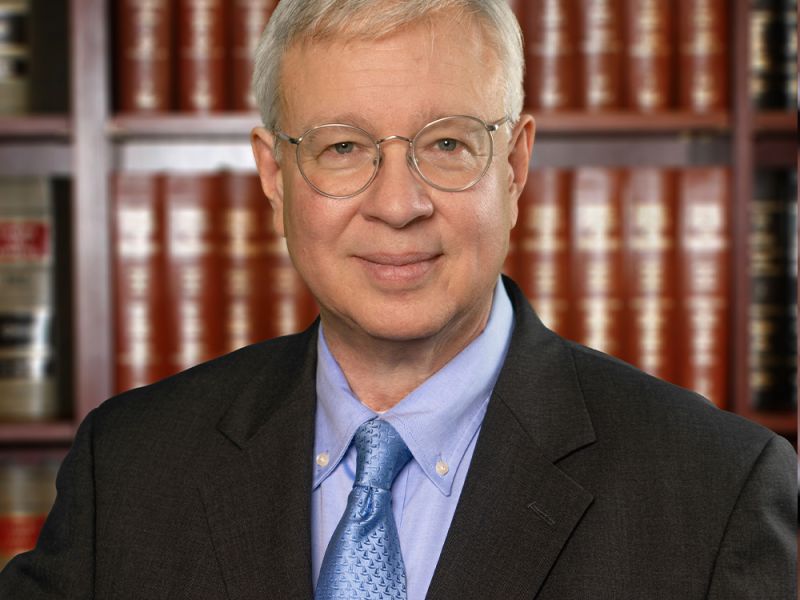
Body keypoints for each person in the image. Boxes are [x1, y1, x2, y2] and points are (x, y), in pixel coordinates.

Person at [1, 1, 796, 598]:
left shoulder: (718, 491)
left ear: (513, 166)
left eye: (447, 143)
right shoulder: (129, 469)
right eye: (343, 148)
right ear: (275, 177)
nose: (397, 204)